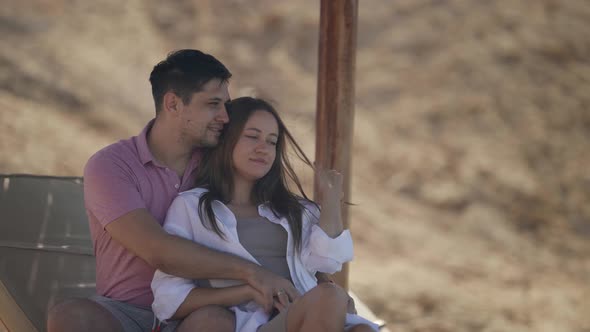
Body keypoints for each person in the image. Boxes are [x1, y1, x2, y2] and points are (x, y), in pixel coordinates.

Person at [47, 50, 308, 332]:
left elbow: (280, 220)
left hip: (205, 308)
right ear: (172, 103)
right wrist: (254, 274)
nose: (224, 116)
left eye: (226, 105)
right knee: (71, 315)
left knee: (214, 321)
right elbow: (159, 252)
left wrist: (322, 280)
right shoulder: (111, 166)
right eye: (213, 104)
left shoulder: (222, 161)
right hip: (128, 312)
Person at [151, 97, 378, 332]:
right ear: (227, 139)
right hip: (243, 323)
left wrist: (331, 203)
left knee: (359, 327)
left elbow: (329, 262)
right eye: (252, 136)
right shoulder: (192, 207)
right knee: (330, 296)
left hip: (299, 317)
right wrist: (248, 290)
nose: (263, 148)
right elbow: (169, 298)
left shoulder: (294, 211)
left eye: (272, 142)